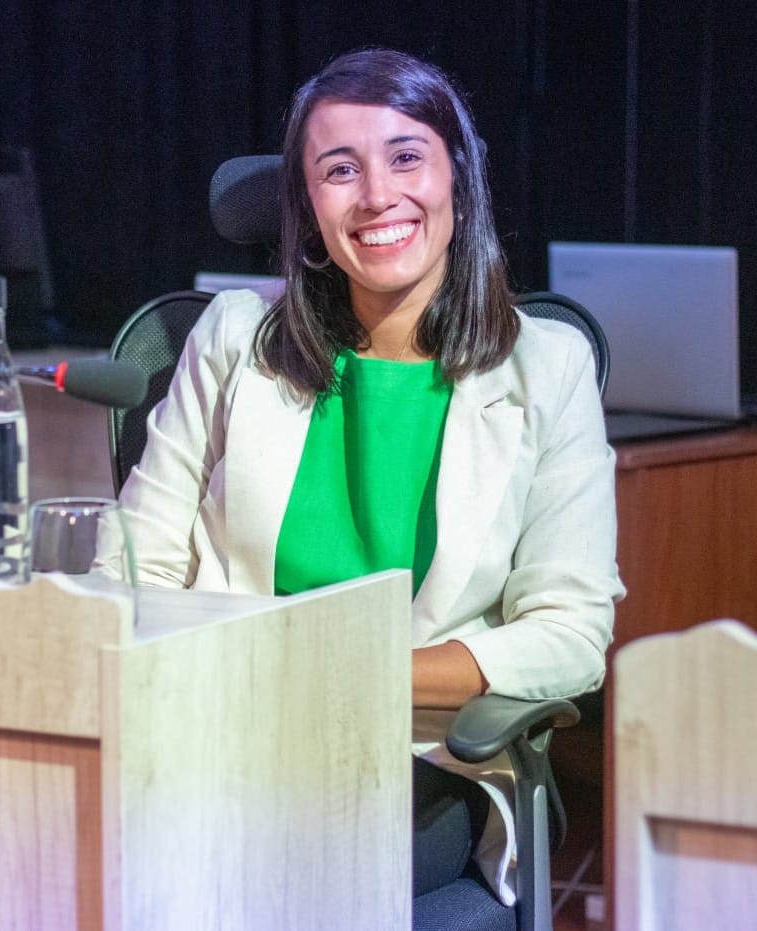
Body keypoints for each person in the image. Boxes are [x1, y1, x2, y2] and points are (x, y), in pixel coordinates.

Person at [113, 48, 624, 907]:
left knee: (258, 869)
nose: (377, 195)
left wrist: (351, 670)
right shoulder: (234, 337)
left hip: (415, 753)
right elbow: (130, 569)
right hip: (222, 730)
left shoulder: (548, 367)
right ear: (308, 206)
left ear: (457, 180)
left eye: (406, 157)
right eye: (340, 170)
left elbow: (571, 634)